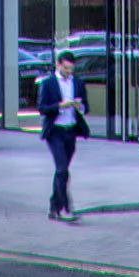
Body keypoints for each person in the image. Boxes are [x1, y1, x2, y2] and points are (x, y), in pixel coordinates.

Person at [36, 49, 89, 221]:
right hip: (55, 131)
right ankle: (66, 208)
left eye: (71, 70)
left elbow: (85, 107)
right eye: (66, 69)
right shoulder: (48, 83)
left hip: (71, 130)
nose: (69, 73)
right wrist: (61, 105)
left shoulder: (78, 83)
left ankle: (53, 208)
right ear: (58, 65)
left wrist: (79, 106)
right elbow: (42, 108)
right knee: (62, 169)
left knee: (62, 171)